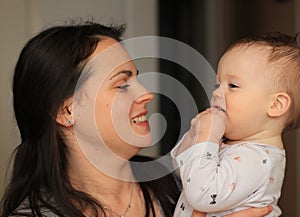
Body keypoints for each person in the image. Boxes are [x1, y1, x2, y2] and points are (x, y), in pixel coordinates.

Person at [0, 21, 272, 217]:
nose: (146, 94)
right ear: (67, 111)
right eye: (122, 84)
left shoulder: (187, 185)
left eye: (136, 78)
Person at [171, 32, 300, 217]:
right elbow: (182, 173)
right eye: (218, 84)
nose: (216, 93)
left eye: (232, 86)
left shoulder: (256, 160)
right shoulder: (232, 144)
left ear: (275, 105)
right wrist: (195, 135)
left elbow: (200, 194)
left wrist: (205, 137)